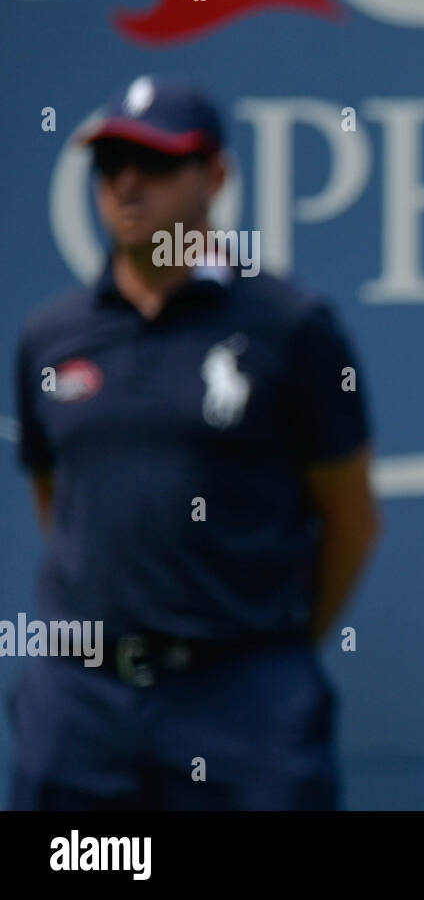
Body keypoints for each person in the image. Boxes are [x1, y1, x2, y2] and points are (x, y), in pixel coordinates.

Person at [9, 75, 382, 809]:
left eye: (153, 163)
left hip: (242, 703)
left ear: (215, 176)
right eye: (110, 164)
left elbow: (351, 520)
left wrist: (257, 646)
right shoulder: (50, 337)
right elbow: (60, 504)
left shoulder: (293, 326)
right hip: (79, 705)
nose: (126, 183)